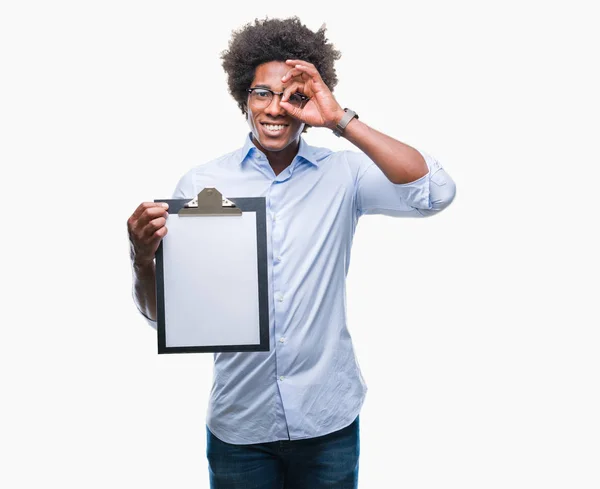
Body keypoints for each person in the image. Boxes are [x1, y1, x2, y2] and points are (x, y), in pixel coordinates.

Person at [127, 16, 456, 489]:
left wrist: (341, 120)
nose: (276, 108)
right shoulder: (202, 185)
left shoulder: (344, 175)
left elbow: (435, 192)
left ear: (310, 102)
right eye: (263, 93)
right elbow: (167, 318)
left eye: (293, 96)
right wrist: (141, 259)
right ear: (243, 98)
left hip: (328, 420)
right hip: (242, 425)